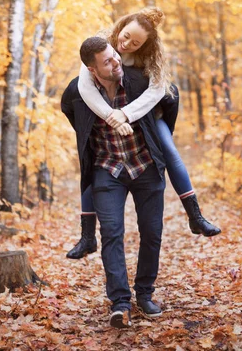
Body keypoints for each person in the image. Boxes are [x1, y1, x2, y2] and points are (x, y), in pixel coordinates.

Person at [66, 7, 221, 260]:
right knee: (89, 156)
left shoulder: (152, 57)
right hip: (109, 111)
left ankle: (195, 216)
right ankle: (87, 236)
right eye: (125, 36)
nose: (125, 44)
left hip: (149, 113)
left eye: (135, 43)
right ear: (122, 25)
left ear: (144, 46)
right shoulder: (103, 44)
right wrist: (110, 117)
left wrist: (126, 114)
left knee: (169, 151)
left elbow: (157, 91)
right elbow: (85, 87)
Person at [61, 37, 173, 328]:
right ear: (92, 69)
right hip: (107, 169)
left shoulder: (137, 79)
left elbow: (169, 98)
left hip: (145, 165)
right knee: (111, 233)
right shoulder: (78, 90)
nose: (115, 63)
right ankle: (120, 302)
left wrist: (162, 139)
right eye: (107, 62)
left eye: (114, 56)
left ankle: (145, 294)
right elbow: (70, 112)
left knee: (152, 232)